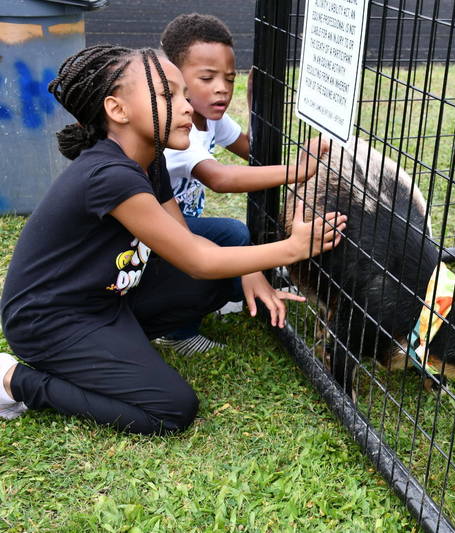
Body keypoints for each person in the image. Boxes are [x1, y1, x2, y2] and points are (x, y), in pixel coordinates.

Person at [0, 45, 346, 433]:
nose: (186, 106)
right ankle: (14, 380)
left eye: (183, 94)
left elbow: (184, 240)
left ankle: (113, 352)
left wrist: (248, 270)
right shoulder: (109, 175)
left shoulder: (150, 160)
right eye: (168, 95)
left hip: (106, 301)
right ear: (117, 109)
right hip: (49, 321)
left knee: (216, 275)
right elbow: (197, 259)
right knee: (171, 409)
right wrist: (293, 248)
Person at [155, 13, 327, 355]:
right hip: (153, 237)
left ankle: (226, 294)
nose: (222, 88)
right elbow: (220, 178)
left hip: (178, 227)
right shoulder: (174, 128)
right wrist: (298, 171)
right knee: (232, 234)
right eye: (207, 78)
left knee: (237, 260)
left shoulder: (209, 118)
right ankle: (175, 332)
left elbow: (251, 151)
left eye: (230, 79)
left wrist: (254, 108)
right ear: (174, 78)